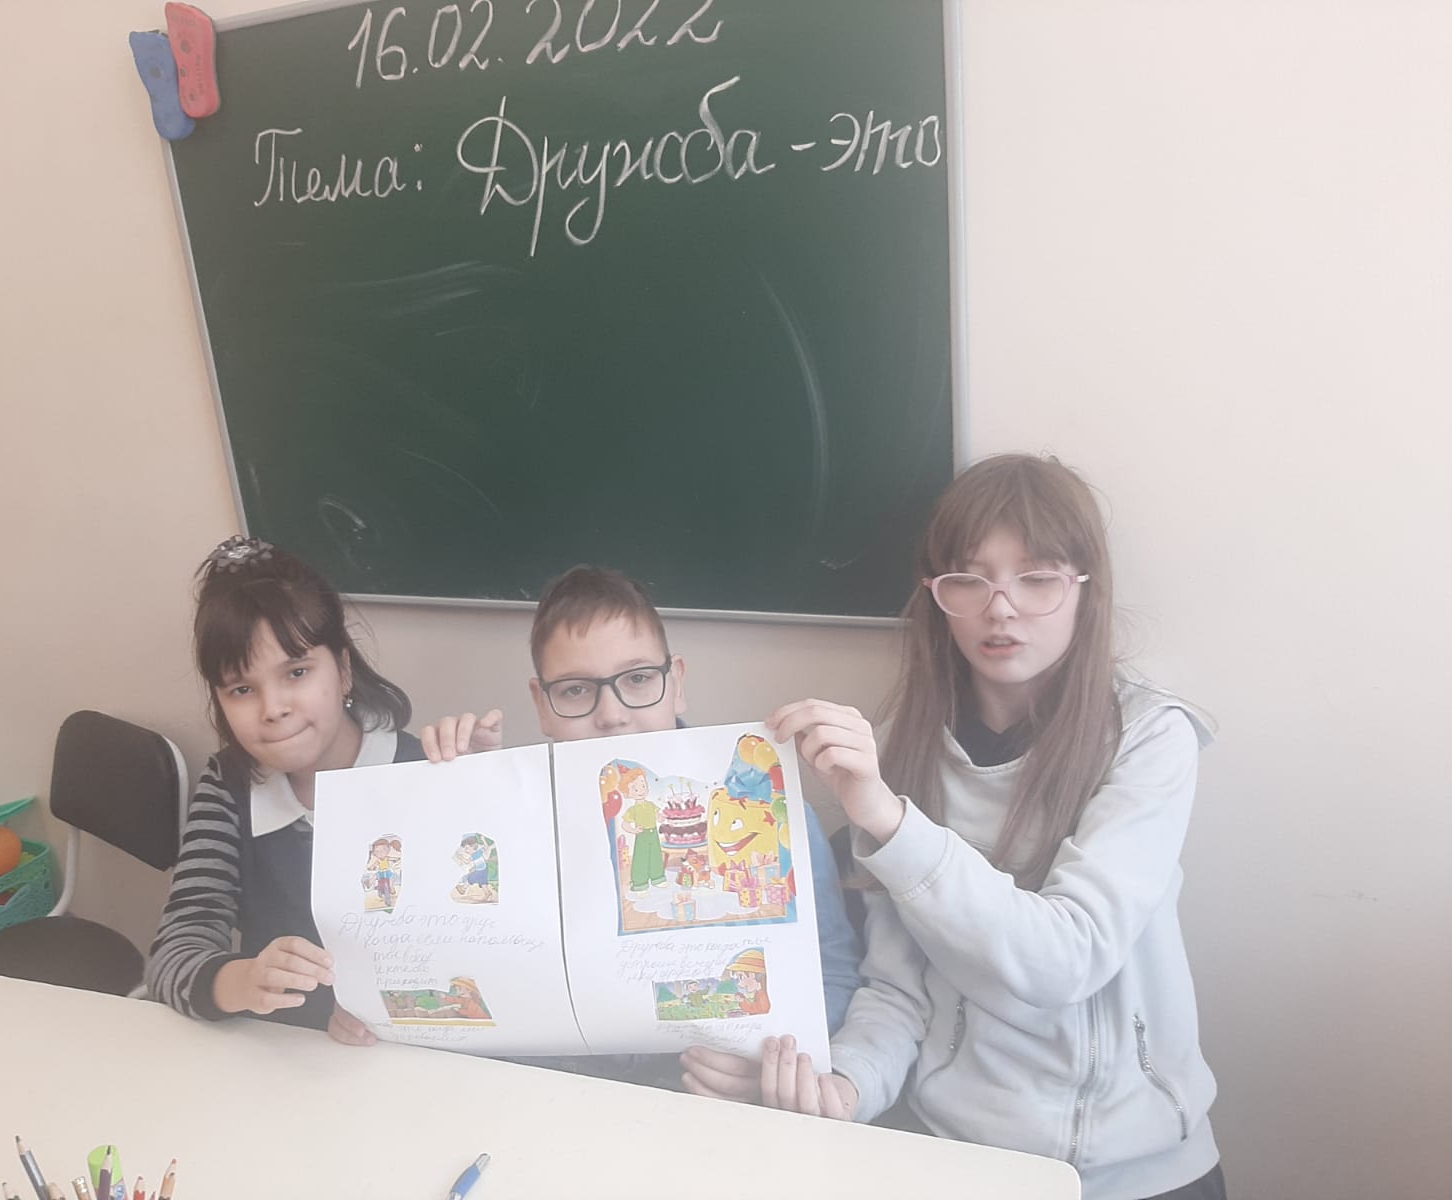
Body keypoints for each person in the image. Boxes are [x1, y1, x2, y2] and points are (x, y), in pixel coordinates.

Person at [686, 454, 1225, 1200]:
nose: (1001, 608)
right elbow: (898, 990)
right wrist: (846, 1085)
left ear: (1084, 588)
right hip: (960, 1162)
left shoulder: (1150, 736)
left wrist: (890, 821)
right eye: (970, 579)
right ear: (937, 595)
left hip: (1144, 1174)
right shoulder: (898, 753)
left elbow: (1069, 957)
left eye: (1036, 577)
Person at [397, 566, 863, 1072]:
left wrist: (766, 1065)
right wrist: (465, 802)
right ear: (542, 704)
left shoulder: (772, 813)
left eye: (638, 679)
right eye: (576, 690)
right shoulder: (512, 818)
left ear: (676, 682)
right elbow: (464, 981)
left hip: (718, 1097)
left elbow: (833, 976)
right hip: (554, 1093)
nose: (612, 714)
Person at [145, 535, 424, 1036]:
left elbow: (468, 947)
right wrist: (244, 980)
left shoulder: (418, 774)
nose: (272, 708)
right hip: (278, 1051)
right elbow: (174, 954)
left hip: (405, 1052)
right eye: (242, 689)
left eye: (296, 672)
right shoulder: (229, 786)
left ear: (342, 671)